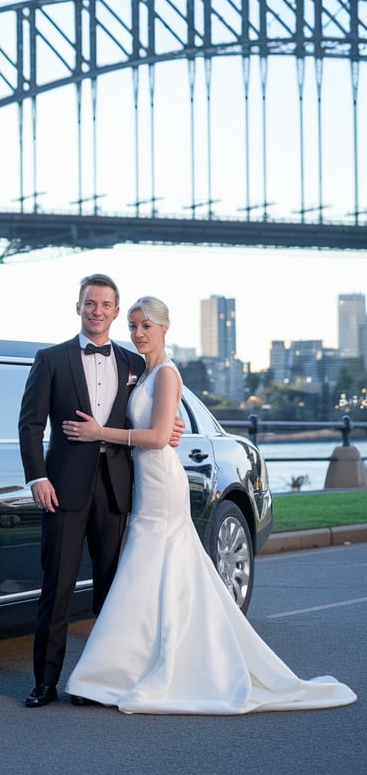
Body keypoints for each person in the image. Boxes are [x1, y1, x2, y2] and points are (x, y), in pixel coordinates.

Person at [62, 296, 356, 712]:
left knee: (144, 568)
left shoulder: (166, 374)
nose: (138, 333)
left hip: (162, 480)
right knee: (159, 573)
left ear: (165, 328)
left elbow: (160, 437)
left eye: (146, 326)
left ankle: (107, 676)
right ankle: (123, 670)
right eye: (132, 326)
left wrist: (99, 433)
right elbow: (156, 426)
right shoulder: (142, 374)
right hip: (147, 480)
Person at [18, 273, 166, 708]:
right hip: (62, 488)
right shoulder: (50, 360)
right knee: (57, 587)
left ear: (116, 312)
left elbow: (154, 416)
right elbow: (30, 424)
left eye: (105, 305)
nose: (97, 311)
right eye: (90, 303)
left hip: (118, 489)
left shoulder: (135, 364)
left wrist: (170, 428)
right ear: (79, 307)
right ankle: (45, 682)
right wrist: (37, 476)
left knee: (112, 590)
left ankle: (102, 680)